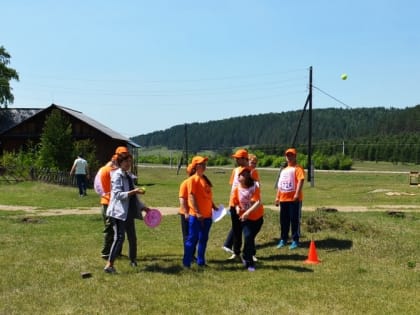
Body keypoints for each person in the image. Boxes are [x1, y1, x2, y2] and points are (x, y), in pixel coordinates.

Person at [104, 152, 150, 273]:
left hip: (129, 212)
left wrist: (143, 207)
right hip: (117, 213)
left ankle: (133, 260)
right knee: (119, 237)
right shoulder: (117, 176)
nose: (129, 164)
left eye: (130, 161)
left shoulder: (129, 175)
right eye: (126, 162)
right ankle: (109, 265)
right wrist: (134, 191)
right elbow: (118, 195)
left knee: (132, 238)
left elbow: (133, 198)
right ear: (120, 163)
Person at [182, 156, 218, 268]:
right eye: (201, 164)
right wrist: (197, 212)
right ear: (196, 166)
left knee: (203, 239)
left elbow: (207, 196)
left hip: (207, 215)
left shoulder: (205, 179)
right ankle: (186, 263)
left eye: (205, 164)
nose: (204, 166)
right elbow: (191, 197)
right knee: (192, 239)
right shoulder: (192, 180)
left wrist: (214, 206)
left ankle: (201, 262)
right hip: (196, 216)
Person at [95, 146, 130, 259]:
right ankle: (106, 252)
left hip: (108, 201)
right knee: (111, 229)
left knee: (116, 229)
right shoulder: (114, 172)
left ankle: (116, 252)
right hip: (110, 202)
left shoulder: (105, 169)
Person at [232, 166, 264, 271]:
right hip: (245, 219)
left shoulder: (254, 187)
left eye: (246, 174)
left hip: (257, 218)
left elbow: (258, 203)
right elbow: (235, 202)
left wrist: (247, 212)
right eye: (242, 174)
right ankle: (249, 261)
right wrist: (237, 208)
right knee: (248, 236)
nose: (243, 176)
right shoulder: (237, 189)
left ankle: (246, 254)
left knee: (250, 238)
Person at [222, 149, 250, 260]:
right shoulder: (235, 170)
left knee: (247, 230)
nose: (236, 160)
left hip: (245, 205)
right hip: (234, 204)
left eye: (238, 158)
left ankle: (249, 253)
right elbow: (233, 187)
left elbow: (253, 188)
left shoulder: (250, 171)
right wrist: (231, 203)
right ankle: (236, 252)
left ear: (244, 158)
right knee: (236, 229)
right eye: (236, 158)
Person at [275, 148, 305, 250]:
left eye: (291, 155)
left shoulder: (298, 168)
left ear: (295, 156)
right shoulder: (283, 170)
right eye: (287, 155)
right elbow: (280, 185)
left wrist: (297, 194)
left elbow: (301, 180)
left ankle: (295, 240)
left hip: (294, 200)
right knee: (284, 220)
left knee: (294, 220)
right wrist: (277, 197)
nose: (289, 157)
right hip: (283, 199)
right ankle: (283, 239)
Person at [178, 163, 195, 246]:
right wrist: (186, 213)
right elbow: (182, 199)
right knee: (187, 235)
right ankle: (189, 255)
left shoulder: (198, 183)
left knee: (195, 235)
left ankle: (192, 254)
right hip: (187, 213)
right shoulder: (185, 183)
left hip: (195, 213)